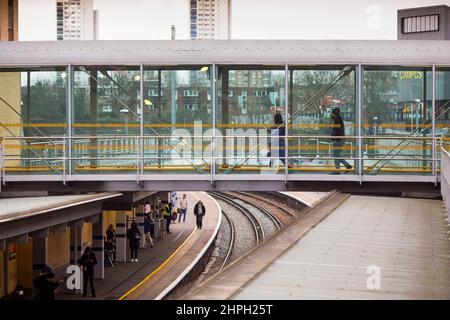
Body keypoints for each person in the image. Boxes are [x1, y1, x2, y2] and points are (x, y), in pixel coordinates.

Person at [330, 107, 352, 174]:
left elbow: (337, 131)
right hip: (339, 140)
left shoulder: (337, 120)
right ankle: (347, 165)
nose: (331, 114)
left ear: (334, 113)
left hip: (338, 140)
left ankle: (338, 170)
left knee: (335, 155)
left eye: (332, 113)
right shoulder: (338, 119)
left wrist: (335, 139)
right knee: (336, 154)